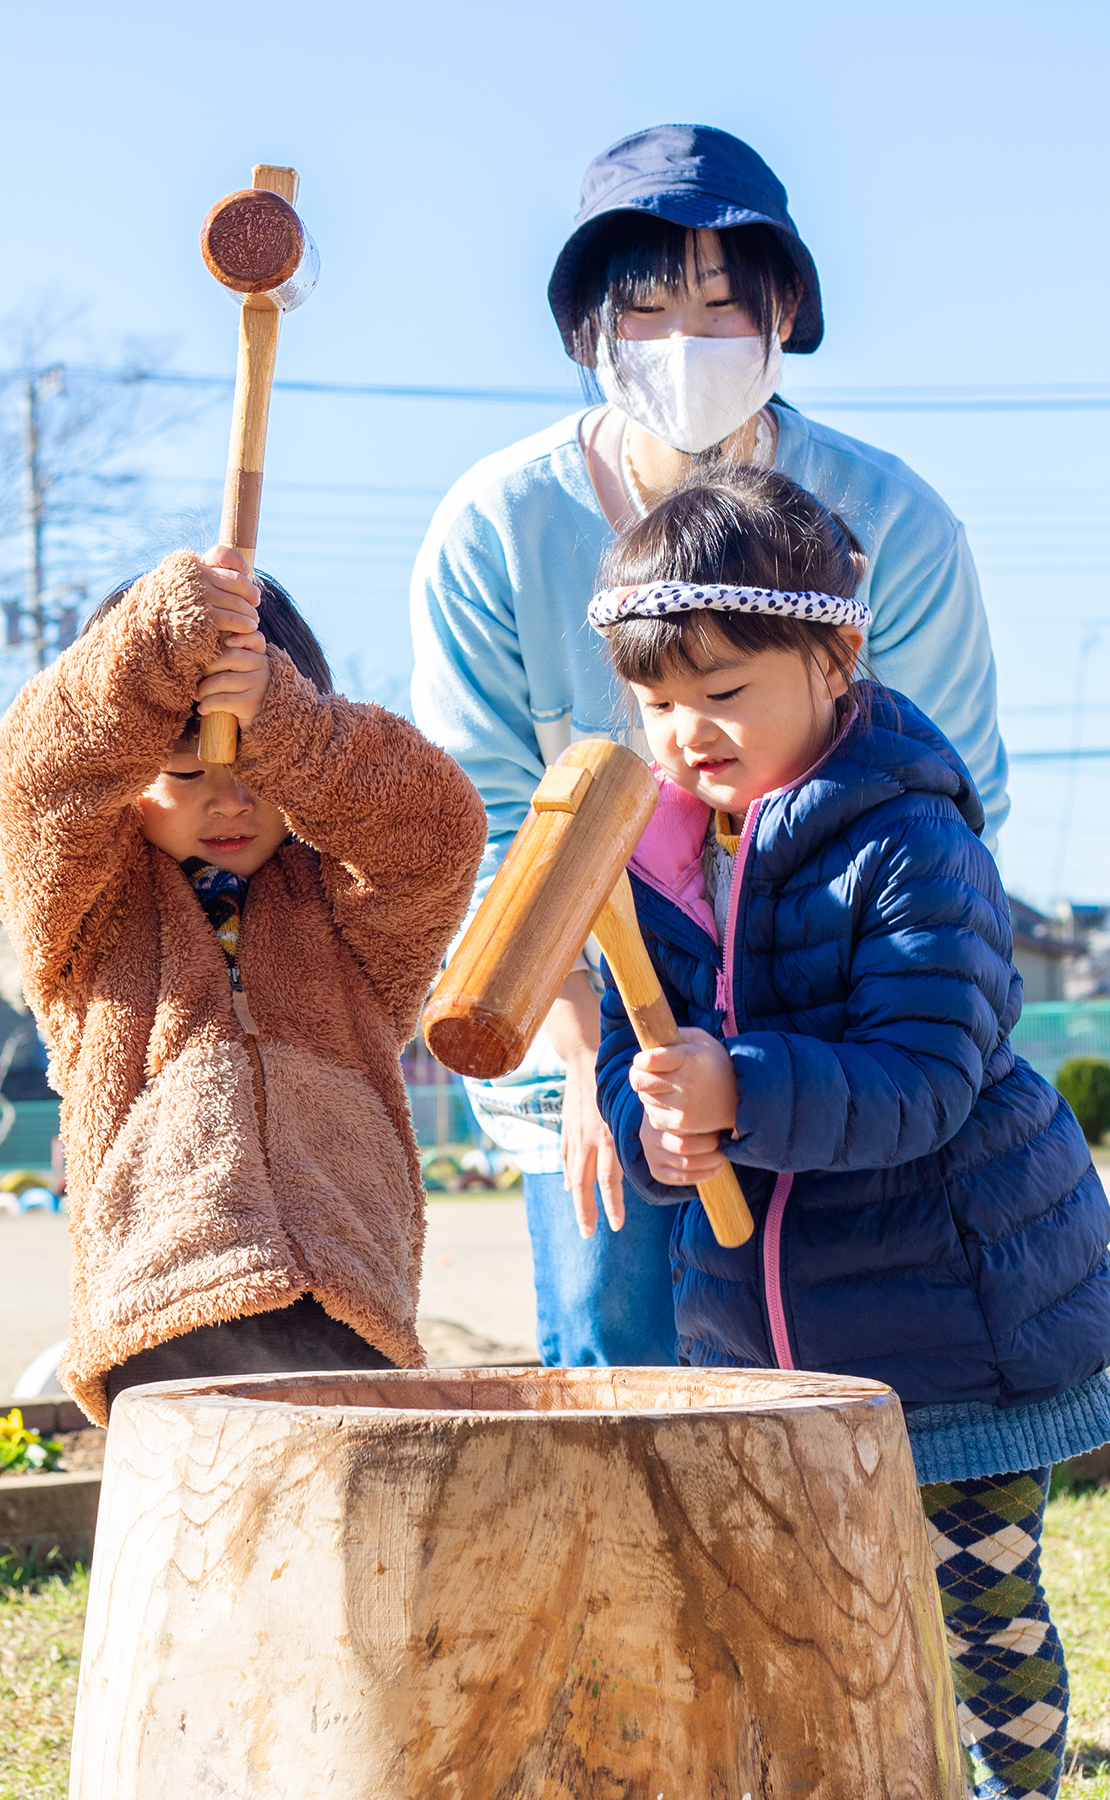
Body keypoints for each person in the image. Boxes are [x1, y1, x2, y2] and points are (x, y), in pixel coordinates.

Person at [411, 121, 1009, 1370]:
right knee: (617, 1389)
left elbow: (958, 803)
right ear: (589, 328)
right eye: (647, 306)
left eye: (727, 300)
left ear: (786, 309)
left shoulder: (893, 516)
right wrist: (592, 1061)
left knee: (846, 1394)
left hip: (827, 1055)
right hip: (597, 1054)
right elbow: (490, 834)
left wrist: (779, 1065)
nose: (688, 337)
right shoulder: (494, 530)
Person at [591, 468, 1110, 1800]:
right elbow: (629, 1061)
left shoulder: (910, 843)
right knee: (800, 1624)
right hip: (761, 1344)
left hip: (948, 1325)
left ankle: (1016, 1790)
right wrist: (655, 1134)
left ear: (836, 657)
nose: (687, 732)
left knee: (976, 1611)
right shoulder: (647, 861)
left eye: (723, 693)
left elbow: (926, 1073)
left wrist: (741, 1090)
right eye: (655, 703)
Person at [0, 546, 485, 1424]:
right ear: (130, 764)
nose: (228, 802)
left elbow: (439, 830)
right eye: (183, 771)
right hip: (162, 1297)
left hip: (348, 1291)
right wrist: (158, 635)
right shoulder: (86, 913)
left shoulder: (353, 908)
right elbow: (33, 782)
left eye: (255, 769)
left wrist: (284, 721)